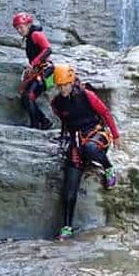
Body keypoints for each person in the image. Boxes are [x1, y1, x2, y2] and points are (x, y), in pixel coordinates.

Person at [50, 64, 120, 240]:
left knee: (89, 148)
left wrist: (116, 136)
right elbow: (66, 122)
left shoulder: (86, 95)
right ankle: (67, 227)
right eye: (59, 86)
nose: (63, 89)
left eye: (65, 84)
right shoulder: (57, 103)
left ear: (72, 82)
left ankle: (108, 167)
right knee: (70, 187)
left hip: (96, 136)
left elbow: (105, 113)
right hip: (76, 142)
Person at [12, 12, 53, 130]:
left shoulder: (35, 34)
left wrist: (33, 64)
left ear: (28, 24)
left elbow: (48, 50)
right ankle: (44, 121)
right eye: (17, 28)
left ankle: (36, 124)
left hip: (47, 71)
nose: (19, 30)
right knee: (25, 97)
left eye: (21, 27)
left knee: (28, 96)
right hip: (39, 70)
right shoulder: (29, 37)